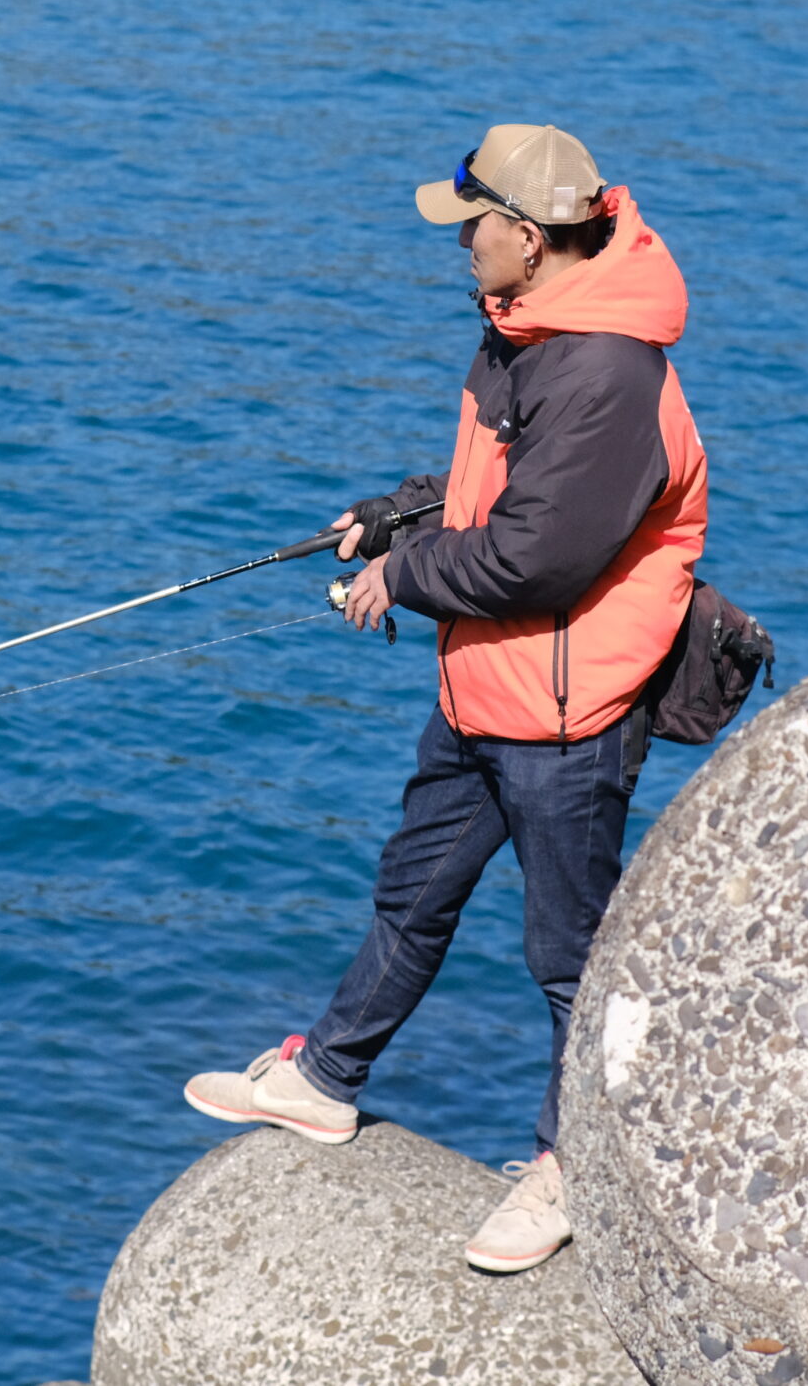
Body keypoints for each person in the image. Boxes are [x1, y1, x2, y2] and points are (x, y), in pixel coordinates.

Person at [184, 124, 709, 1272]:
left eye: (472, 227)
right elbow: (493, 488)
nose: (459, 244)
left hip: (567, 716)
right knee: (410, 895)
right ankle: (326, 1079)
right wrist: (397, 513)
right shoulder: (523, 328)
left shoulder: (608, 371)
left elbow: (538, 557)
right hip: (485, 686)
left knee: (568, 958)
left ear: (527, 236)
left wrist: (402, 574)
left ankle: (572, 1166)